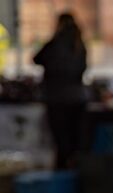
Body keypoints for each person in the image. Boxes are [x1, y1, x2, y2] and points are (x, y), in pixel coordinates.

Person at [33, 13, 88, 170]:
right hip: (77, 98)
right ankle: (73, 178)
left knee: (61, 142)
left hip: (58, 99)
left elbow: (37, 58)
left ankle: (63, 178)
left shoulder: (56, 43)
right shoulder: (79, 44)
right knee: (74, 142)